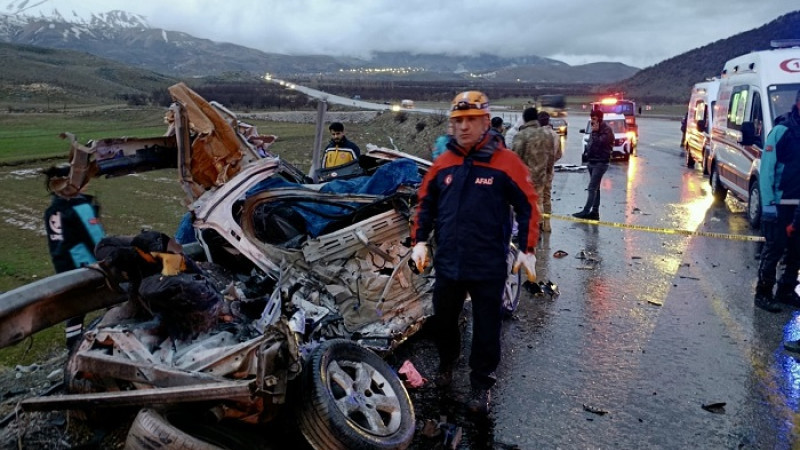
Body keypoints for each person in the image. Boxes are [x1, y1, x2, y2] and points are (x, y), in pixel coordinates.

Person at [410, 91, 539, 415]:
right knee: (443, 322)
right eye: (458, 121)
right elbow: (426, 203)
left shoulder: (505, 162)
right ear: (452, 125)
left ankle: (481, 386)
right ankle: (446, 364)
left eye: (472, 120)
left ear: (485, 122)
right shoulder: (444, 163)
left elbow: (528, 205)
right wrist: (420, 240)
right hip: (450, 264)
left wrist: (527, 249)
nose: (465, 127)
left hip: (488, 266)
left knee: (486, 329)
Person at [43, 166, 106, 349]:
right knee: (117, 295)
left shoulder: (53, 209)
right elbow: (97, 239)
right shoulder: (79, 207)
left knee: (75, 309)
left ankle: (73, 345)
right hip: (85, 265)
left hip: (63, 266)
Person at [753, 89, 800, 313]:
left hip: (798, 207)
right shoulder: (781, 131)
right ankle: (763, 293)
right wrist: (768, 205)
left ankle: (786, 290)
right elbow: (767, 170)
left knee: (796, 251)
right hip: (780, 205)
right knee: (774, 249)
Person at [513, 107, 556, 233]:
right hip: (542, 175)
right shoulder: (548, 134)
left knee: (527, 205)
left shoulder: (521, 135)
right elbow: (552, 156)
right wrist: (548, 173)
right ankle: (544, 225)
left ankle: (532, 230)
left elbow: (515, 157)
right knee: (542, 201)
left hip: (525, 178)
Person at [573, 110, 613, 220]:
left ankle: (586, 211)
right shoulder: (593, 130)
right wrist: (587, 155)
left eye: (594, 119)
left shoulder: (606, 130)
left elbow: (600, 143)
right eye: (591, 119)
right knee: (596, 188)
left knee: (592, 188)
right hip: (592, 161)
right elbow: (591, 144)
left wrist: (595, 132)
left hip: (601, 162)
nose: (592, 122)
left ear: (600, 119)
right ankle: (595, 212)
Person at [537, 111, 563, 232]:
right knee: (547, 197)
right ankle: (547, 224)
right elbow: (559, 154)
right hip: (549, 170)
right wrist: (551, 162)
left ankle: (539, 223)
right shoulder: (555, 135)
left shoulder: (537, 135)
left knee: (538, 198)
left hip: (537, 170)